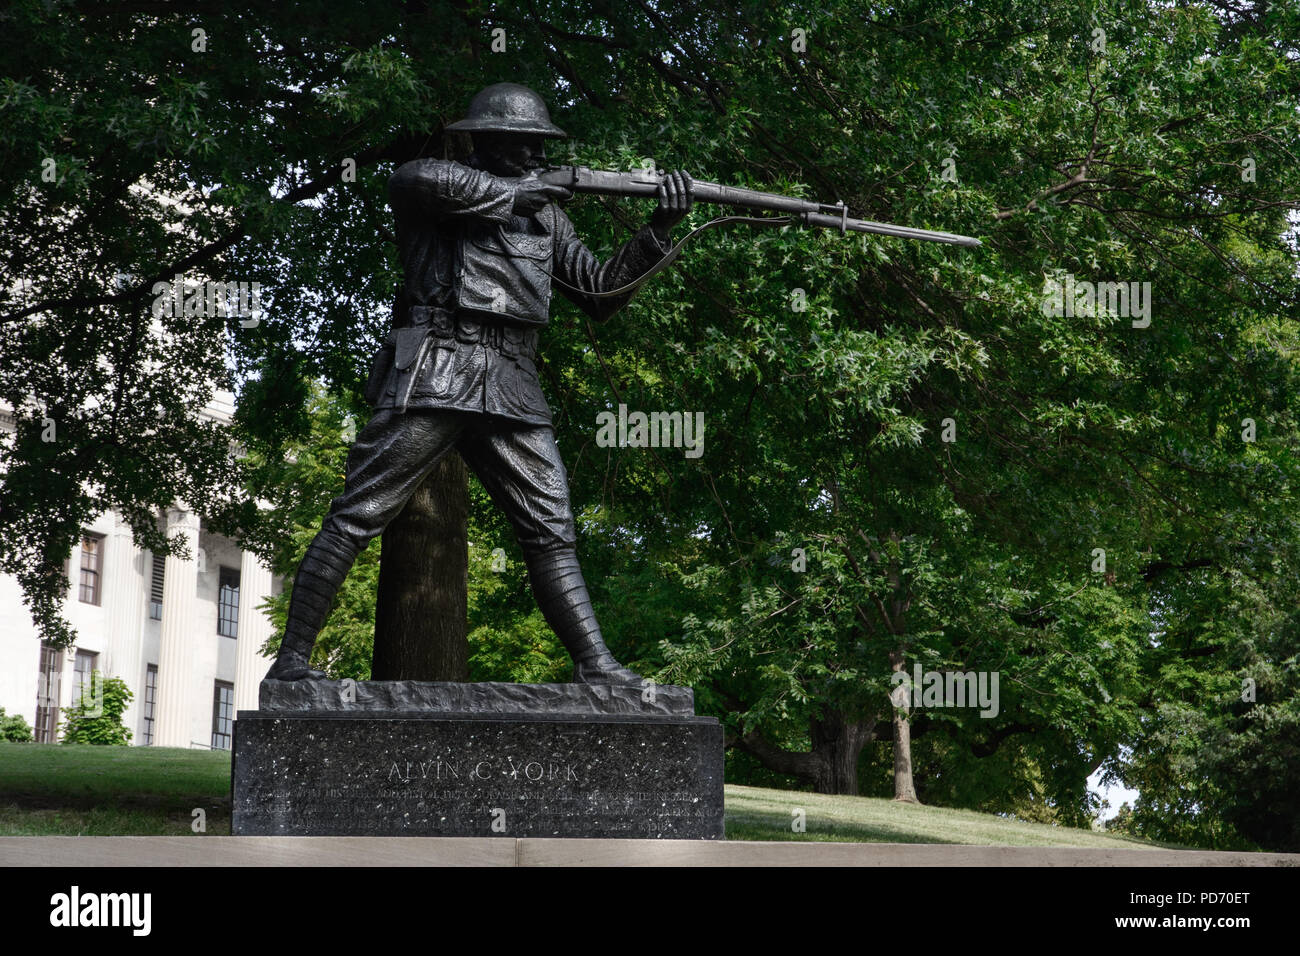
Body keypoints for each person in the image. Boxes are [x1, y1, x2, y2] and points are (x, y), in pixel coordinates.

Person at [266, 82, 694, 684]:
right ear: (485, 139)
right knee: (358, 514)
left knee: (552, 531)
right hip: (438, 366)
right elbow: (411, 179)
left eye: (539, 146)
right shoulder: (434, 184)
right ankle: (291, 664)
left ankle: (596, 665)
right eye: (521, 144)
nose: (534, 156)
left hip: (514, 381)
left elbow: (598, 293)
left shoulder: (549, 216)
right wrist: (515, 194)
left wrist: (658, 231)